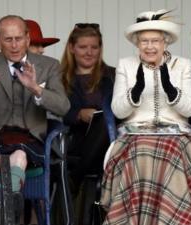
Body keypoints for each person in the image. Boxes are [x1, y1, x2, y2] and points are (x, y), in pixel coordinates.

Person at [100, 9, 191, 225]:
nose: (149, 46)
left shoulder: (182, 65)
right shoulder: (126, 65)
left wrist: (171, 90)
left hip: (176, 135)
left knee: (172, 153)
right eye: (144, 41)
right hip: (135, 137)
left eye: (155, 40)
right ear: (137, 43)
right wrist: (134, 93)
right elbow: (118, 111)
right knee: (141, 151)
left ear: (165, 42)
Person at [0, 15, 70, 223]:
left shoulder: (48, 65)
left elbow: (63, 107)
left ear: (28, 39)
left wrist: (36, 88)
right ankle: (10, 210)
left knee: (19, 156)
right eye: (8, 39)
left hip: (30, 138)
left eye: (19, 38)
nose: (14, 45)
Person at [60, 22, 114, 223]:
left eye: (94, 47)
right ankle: (77, 177)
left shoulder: (112, 75)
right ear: (72, 48)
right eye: (83, 47)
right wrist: (78, 114)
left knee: (105, 121)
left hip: (109, 142)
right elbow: (55, 111)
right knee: (103, 123)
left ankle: (75, 178)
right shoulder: (61, 77)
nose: (89, 52)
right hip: (76, 138)